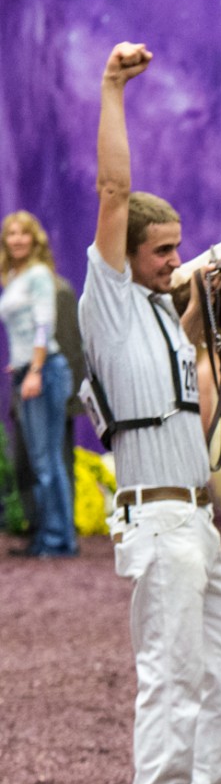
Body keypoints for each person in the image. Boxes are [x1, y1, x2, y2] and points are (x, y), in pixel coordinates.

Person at [79, 41, 221, 784]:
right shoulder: (110, 301)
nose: (174, 261)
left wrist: (199, 310)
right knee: (172, 674)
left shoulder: (156, 311)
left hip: (198, 521)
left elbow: (183, 335)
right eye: (162, 252)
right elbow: (114, 188)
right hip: (157, 521)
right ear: (126, 255)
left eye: (178, 249)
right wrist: (114, 88)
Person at [0, 211, 78, 557]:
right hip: (29, 369)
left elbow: (45, 325)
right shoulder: (16, 277)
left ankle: (59, 539)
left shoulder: (39, 276)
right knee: (39, 460)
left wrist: (34, 368)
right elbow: (24, 329)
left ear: (35, 239)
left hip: (44, 372)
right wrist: (19, 364)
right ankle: (49, 535)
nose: (17, 239)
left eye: (23, 233)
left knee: (48, 462)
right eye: (11, 233)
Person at [11, 271, 86, 538]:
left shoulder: (56, 290)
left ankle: (60, 533)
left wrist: (65, 398)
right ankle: (45, 529)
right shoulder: (18, 288)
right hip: (32, 382)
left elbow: (67, 347)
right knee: (35, 463)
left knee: (52, 462)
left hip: (49, 386)